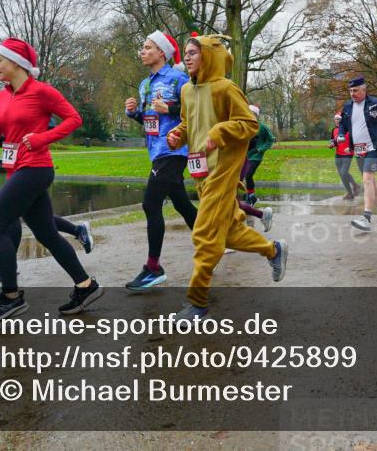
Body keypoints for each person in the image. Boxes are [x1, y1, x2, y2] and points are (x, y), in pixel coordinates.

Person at [0, 38, 101, 322]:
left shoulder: (42, 91)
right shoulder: (4, 95)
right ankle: (85, 285)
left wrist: (43, 139)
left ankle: (11, 296)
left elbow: (73, 119)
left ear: (16, 62)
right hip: (15, 169)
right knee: (46, 233)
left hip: (35, 168)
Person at [166, 34, 287, 321]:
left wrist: (218, 134)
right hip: (199, 172)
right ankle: (273, 250)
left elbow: (248, 124)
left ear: (209, 55)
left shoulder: (226, 88)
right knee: (230, 233)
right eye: (186, 53)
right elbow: (188, 122)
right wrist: (177, 135)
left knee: (205, 234)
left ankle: (197, 303)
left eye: (194, 52)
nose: (188, 57)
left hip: (223, 172)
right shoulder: (186, 91)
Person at [123, 31, 200, 292]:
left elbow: (198, 108)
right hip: (156, 150)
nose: (142, 52)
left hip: (175, 150)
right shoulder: (145, 85)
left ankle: (153, 268)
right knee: (181, 203)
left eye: (147, 47)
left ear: (162, 53)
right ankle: (213, 239)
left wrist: (173, 109)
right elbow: (148, 122)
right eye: (142, 48)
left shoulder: (179, 78)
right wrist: (134, 113)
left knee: (150, 203)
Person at [338, 77, 377, 231]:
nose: (352, 94)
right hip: (358, 149)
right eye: (350, 91)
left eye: (355, 90)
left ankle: (366, 217)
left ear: (364, 90)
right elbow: (342, 123)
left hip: (375, 147)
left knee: (367, 179)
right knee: (371, 181)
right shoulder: (348, 106)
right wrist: (341, 133)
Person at [242, 104, 274, 206]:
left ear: (256, 115)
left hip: (256, 156)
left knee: (248, 174)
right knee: (244, 176)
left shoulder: (262, 127)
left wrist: (261, 149)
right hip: (246, 156)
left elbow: (271, 139)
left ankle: (250, 198)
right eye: (248, 114)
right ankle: (251, 197)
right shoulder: (244, 127)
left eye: (252, 114)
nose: (250, 116)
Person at [329, 113, 360, 200]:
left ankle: (355, 185)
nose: (336, 121)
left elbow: (355, 140)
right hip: (338, 154)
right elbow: (333, 140)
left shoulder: (349, 129)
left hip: (348, 154)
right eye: (335, 119)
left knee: (344, 172)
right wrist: (332, 144)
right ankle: (350, 193)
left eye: (338, 119)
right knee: (342, 175)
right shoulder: (334, 130)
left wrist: (351, 148)